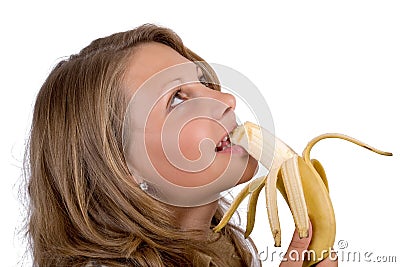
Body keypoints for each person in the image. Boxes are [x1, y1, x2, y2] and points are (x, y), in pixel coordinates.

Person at [25, 24, 337, 266]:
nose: (227, 100)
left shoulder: (231, 251)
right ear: (121, 165)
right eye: (177, 99)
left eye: (203, 82)